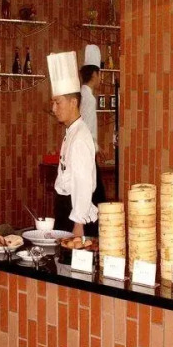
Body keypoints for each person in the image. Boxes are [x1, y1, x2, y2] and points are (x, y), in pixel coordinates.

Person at [49, 51, 98, 236]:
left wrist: (78, 223)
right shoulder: (71, 131)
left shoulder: (80, 138)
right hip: (65, 207)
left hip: (74, 213)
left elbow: (83, 182)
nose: (54, 108)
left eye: (58, 103)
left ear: (73, 102)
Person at [79, 44, 107, 205]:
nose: (100, 77)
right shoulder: (89, 99)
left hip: (84, 154)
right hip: (87, 157)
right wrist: (96, 147)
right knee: (98, 201)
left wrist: (97, 147)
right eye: (99, 73)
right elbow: (86, 129)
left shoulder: (81, 95)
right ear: (95, 74)